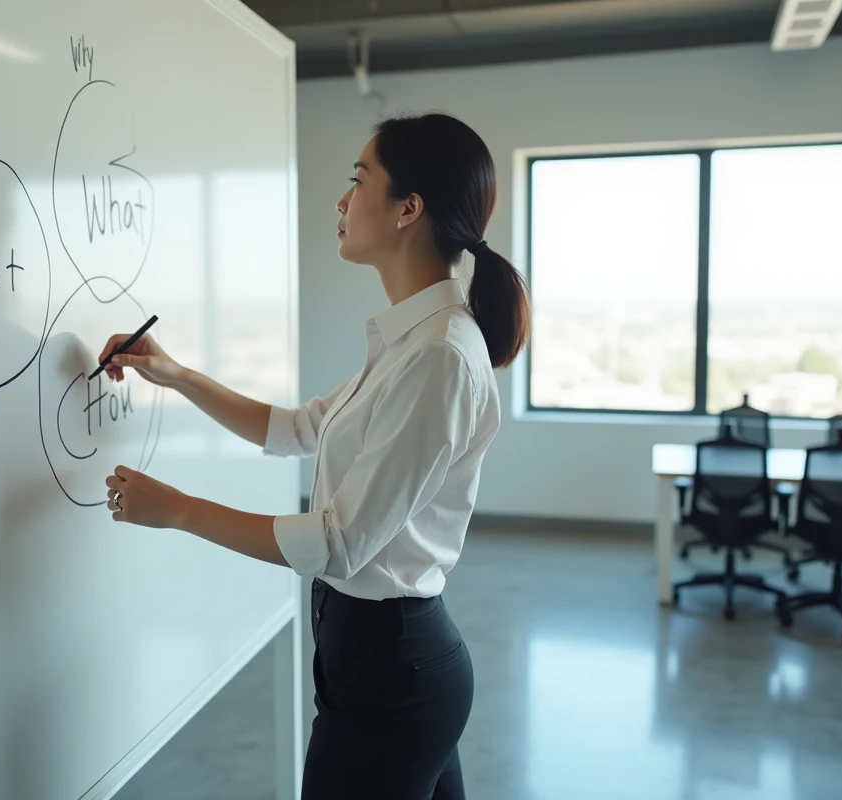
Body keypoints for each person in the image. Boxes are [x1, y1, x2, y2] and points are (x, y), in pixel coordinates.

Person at [100, 112, 529, 799]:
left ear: (408, 209)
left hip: (393, 675)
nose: (341, 201)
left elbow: (338, 543)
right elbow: (298, 429)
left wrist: (179, 511)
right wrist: (177, 375)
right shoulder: (412, 341)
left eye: (359, 180)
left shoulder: (437, 356)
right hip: (380, 661)